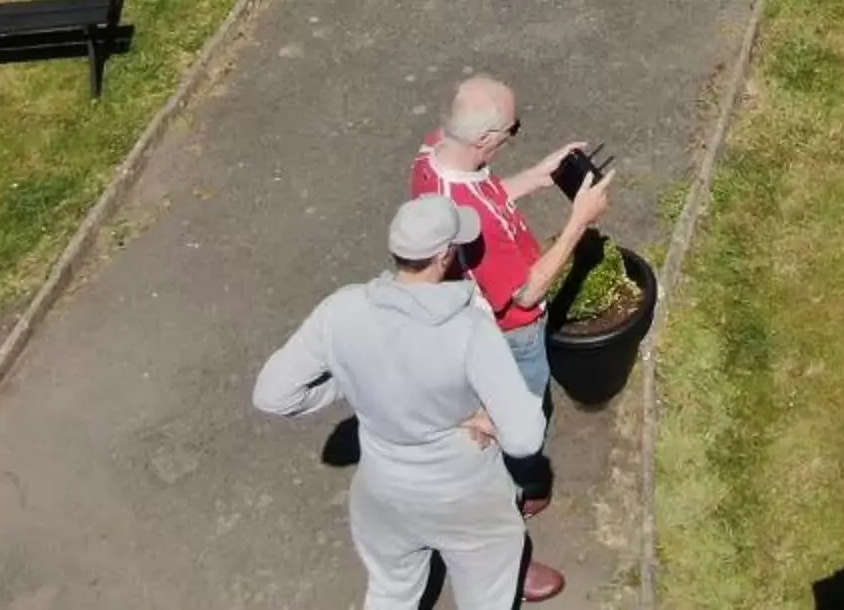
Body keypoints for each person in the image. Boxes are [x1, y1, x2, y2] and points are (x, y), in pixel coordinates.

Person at [253, 192, 565, 605]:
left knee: (391, 594)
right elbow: (525, 438)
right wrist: (490, 422)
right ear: (444, 256)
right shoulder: (469, 329)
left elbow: (272, 395)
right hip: (466, 496)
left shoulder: (340, 310)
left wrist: (350, 382)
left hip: (382, 496)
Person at [411, 74, 613, 516]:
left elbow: (487, 192)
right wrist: (579, 220)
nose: (512, 137)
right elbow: (526, 294)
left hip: (468, 310)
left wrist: (539, 176)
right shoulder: (480, 225)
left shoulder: (434, 156)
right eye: (510, 131)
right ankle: (523, 485)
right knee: (520, 413)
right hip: (513, 333)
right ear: (483, 139)